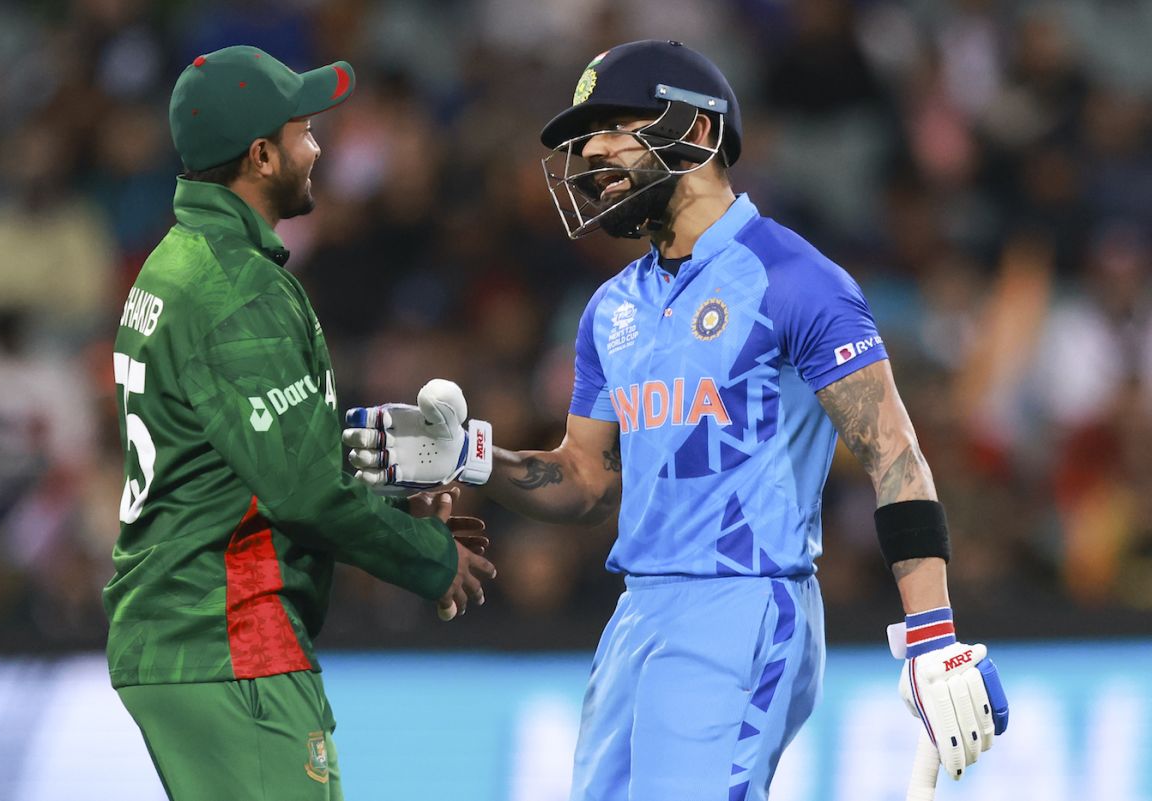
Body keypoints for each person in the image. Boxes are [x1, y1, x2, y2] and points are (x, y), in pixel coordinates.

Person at [343, 40, 1008, 801]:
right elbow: (588, 479)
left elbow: (895, 453)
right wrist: (470, 455)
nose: (591, 149)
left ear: (695, 131)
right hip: (638, 613)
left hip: (748, 601)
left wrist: (932, 638)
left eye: (614, 124)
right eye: (584, 135)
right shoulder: (611, 308)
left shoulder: (795, 280)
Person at [105, 46, 495, 801]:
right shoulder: (235, 291)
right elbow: (303, 492)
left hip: (186, 626)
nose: (317, 149)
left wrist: (387, 483)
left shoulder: (176, 262)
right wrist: (430, 556)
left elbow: (245, 458)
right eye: (304, 132)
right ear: (260, 155)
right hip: (226, 634)